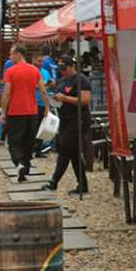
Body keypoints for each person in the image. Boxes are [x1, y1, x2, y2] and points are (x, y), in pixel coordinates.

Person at [43, 56, 92, 195]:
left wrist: (65, 98)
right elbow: (60, 88)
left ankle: (54, 182)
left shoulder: (81, 80)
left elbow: (86, 100)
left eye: (64, 69)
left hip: (78, 119)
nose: (62, 72)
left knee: (64, 149)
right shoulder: (63, 80)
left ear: (72, 66)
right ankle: (83, 185)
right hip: (64, 118)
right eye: (60, 69)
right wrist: (52, 87)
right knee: (73, 153)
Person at [1, 45, 50, 182]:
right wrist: (47, 106)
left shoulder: (10, 71)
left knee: (14, 141)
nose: (10, 57)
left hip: (16, 112)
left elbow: (7, 93)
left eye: (11, 54)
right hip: (32, 111)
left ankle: (19, 163)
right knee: (29, 141)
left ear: (18, 54)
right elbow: (43, 90)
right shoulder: (35, 70)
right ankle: (25, 169)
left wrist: (3, 111)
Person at [33, 55, 54, 158]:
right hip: (34, 102)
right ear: (34, 60)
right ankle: (32, 148)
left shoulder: (45, 72)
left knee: (43, 127)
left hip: (43, 101)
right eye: (38, 61)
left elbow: (50, 82)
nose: (40, 63)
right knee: (34, 126)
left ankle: (38, 149)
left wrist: (51, 83)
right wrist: (44, 85)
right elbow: (32, 85)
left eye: (42, 61)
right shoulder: (32, 71)